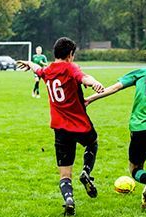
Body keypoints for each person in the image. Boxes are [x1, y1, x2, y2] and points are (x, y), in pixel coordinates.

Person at [85, 45, 146, 209]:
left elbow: (114, 88)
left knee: (135, 168)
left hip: (140, 129)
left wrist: (90, 99)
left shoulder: (141, 73)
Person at [17, 37, 105, 216]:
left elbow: (38, 70)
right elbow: (84, 77)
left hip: (60, 129)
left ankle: (69, 200)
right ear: (70, 55)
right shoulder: (70, 67)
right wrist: (94, 83)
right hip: (80, 125)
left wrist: (28, 63)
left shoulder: (48, 70)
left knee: (65, 174)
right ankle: (86, 172)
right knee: (93, 142)